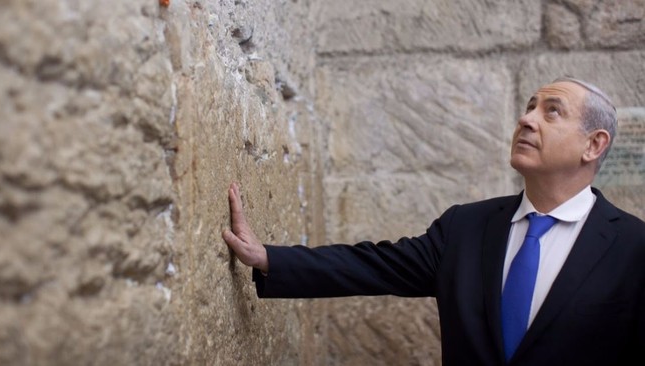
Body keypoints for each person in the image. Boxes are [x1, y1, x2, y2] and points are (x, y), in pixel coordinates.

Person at [221, 77, 645, 366]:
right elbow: (371, 266)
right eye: (530, 107)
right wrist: (266, 258)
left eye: (552, 112)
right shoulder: (466, 228)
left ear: (594, 144)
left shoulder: (633, 247)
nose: (527, 119)